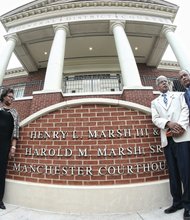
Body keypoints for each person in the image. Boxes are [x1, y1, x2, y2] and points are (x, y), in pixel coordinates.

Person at [151, 75, 190, 220]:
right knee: (173, 174)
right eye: (161, 83)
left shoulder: (179, 95)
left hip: (182, 138)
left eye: (166, 82)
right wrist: (168, 123)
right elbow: (155, 118)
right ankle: (177, 202)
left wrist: (180, 126)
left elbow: (185, 110)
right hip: (167, 141)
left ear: (169, 84)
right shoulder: (154, 102)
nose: (164, 84)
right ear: (157, 86)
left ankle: (188, 205)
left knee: (186, 172)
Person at [0, 88, 19, 210]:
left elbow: (16, 132)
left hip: (5, 145)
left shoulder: (15, 113)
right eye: (10, 96)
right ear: (4, 97)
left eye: (13, 97)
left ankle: (0, 200)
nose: (11, 99)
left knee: (1, 172)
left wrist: (13, 146)